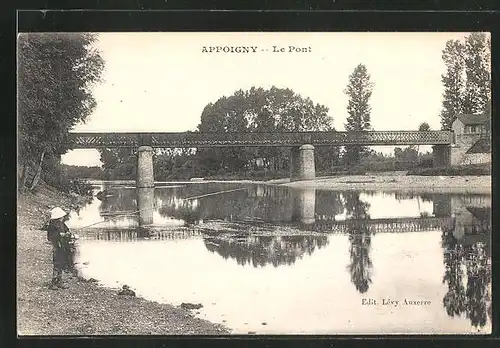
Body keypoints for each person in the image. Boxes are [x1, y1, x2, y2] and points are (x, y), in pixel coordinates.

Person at [46, 207, 78, 289]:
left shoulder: (62, 224)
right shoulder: (51, 226)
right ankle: (53, 283)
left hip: (63, 246)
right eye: (62, 216)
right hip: (57, 247)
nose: (63, 217)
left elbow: (67, 231)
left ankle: (59, 281)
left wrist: (68, 234)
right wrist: (60, 235)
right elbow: (50, 237)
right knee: (57, 264)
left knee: (62, 263)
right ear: (58, 217)